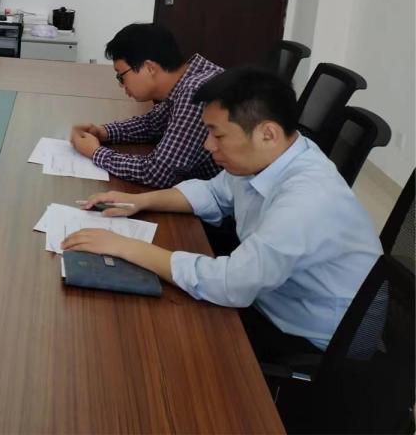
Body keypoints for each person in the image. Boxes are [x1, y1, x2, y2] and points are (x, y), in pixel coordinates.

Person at [63, 67, 381, 357]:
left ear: (267, 134)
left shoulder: (306, 199)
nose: (208, 145)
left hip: (310, 337)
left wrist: (124, 247)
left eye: (218, 134)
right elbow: (214, 193)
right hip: (273, 297)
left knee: (156, 345)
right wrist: (141, 201)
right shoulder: (271, 157)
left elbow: (232, 284)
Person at [70, 22, 223, 187]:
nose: (121, 84)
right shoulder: (186, 80)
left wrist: (96, 152)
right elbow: (152, 124)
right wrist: (104, 132)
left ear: (150, 68)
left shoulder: (196, 91)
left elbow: (159, 172)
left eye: (121, 76)